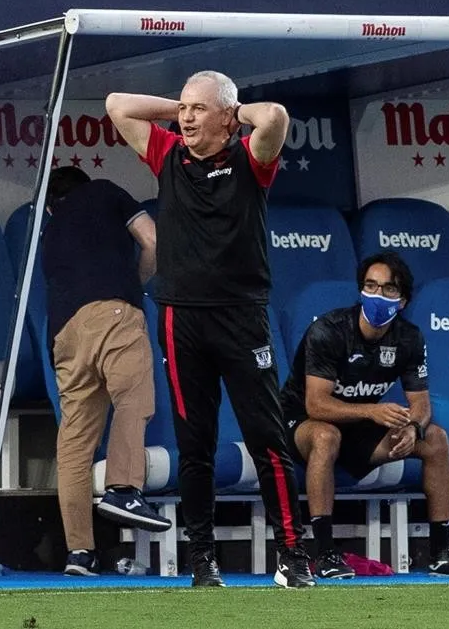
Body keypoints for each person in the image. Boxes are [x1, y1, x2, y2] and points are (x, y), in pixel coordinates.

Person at [106, 71, 314, 588]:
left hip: (242, 316)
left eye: (200, 110)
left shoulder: (251, 159)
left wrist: (232, 110)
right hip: (180, 320)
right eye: (184, 108)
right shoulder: (167, 155)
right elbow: (117, 103)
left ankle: (291, 555)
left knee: (267, 438)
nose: (188, 117)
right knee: (194, 445)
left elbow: (275, 118)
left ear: (227, 118)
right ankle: (203, 561)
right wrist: (181, 107)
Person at [280, 251, 449, 579]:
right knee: (325, 434)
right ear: (361, 290)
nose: (377, 296)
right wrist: (374, 410)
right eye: (370, 286)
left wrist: (414, 430)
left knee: (436, 438)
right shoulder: (329, 330)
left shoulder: (409, 338)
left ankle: (441, 554)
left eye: (388, 290)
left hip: (358, 426)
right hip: (300, 423)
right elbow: (315, 405)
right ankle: (325, 553)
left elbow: (421, 404)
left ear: (402, 300)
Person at [41, 166, 171, 577]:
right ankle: (123, 489)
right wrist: (137, 282)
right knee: (134, 398)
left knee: (75, 442)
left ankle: (80, 552)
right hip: (113, 311)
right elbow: (152, 239)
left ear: (49, 206)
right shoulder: (106, 189)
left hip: (64, 333)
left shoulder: (49, 230)